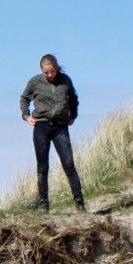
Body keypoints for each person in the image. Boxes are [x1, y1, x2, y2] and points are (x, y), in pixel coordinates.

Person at [19, 54, 85, 212]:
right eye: (46, 72)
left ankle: (79, 202)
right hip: (41, 126)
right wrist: (26, 116)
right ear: (41, 70)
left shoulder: (65, 80)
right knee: (42, 167)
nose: (49, 75)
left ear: (56, 68)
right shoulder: (34, 82)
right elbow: (24, 99)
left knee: (69, 164)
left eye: (52, 72)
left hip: (60, 127)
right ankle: (44, 204)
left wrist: (73, 115)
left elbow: (74, 99)